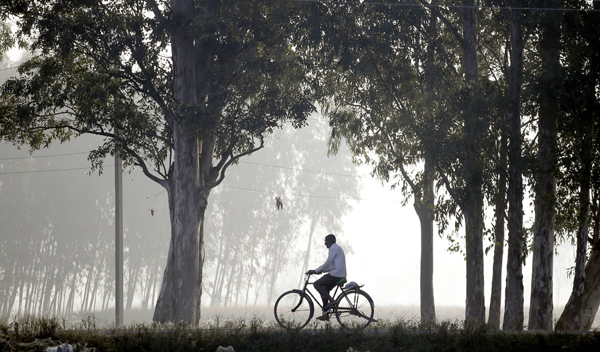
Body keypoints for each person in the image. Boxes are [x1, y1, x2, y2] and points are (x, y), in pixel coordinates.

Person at [306, 234, 346, 321]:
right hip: (338, 274)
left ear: (330, 241)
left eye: (326, 241)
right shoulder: (336, 248)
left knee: (317, 284)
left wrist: (315, 271)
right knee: (324, 291)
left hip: (336, 275)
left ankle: (331, 300)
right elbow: (330, 266)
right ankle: (326, 314)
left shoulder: (333, 248)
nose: (325, 243)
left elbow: (328, 263)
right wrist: (319, 271)